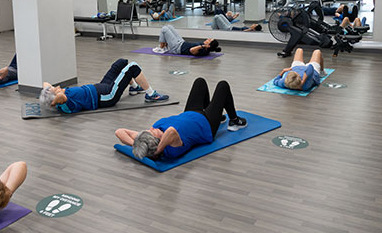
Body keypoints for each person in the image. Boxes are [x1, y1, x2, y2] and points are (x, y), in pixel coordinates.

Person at [115, 78, 247, 160]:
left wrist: (138, 146)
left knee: (199, 82)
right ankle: (234, 120)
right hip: (206, 125)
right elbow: (171, 131)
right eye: (152, 132)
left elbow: (119, 131)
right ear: (158, 142)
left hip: (190, 113)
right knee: (223, 86)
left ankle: (216, 115)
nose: (151, 128)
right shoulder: (171, 147)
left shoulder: (148, 139)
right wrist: (157, 150)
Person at [40, 58, 169, 113]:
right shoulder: (64, 103)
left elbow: (45, 83)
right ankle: (151, 95)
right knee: (133, 67)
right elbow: (58, 97)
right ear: (54, 100)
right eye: (54, 89)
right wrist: (52, 97)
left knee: (121, 63)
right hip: (107, 96)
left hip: (101, 86)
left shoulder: (59, 97)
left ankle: (135, 88)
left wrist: (48, 91)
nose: (57, 87)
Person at [153, 25, 221, 56]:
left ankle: (161, 48)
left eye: (209, 40)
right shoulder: (205, 48)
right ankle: (165, 46)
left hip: (177, 48)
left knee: (164, 29)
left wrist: (201, 46)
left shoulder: (203, 50)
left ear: (208, 45)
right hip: (181, 42)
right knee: (170, 26)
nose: (208, 39)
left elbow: (192, 50)